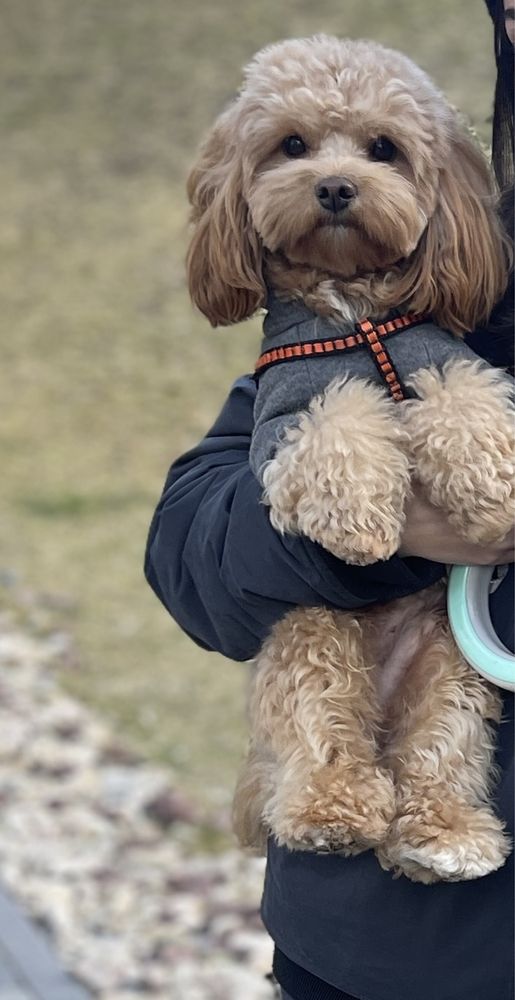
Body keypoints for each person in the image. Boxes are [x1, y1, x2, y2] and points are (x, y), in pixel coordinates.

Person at [144, 2, 515, 997]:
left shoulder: (455, 248)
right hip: (369, 941)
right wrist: (369, 536)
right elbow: (188, 548)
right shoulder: (349, 326)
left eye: (377, 149)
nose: (337, 176)